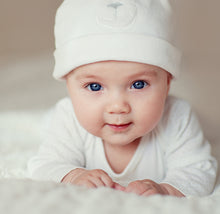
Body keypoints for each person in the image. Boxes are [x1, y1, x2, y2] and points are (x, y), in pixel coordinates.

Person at [28, 0, 217, 197]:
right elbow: (44, 166)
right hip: (58, 124)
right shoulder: (68, 118)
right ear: (68, 85)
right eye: (95, 86)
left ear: (168, 82)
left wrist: (166, 189)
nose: (118, 107)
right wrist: (73, 176)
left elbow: (198, 170)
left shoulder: (177, 117)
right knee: (46, 124)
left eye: (138, 84)